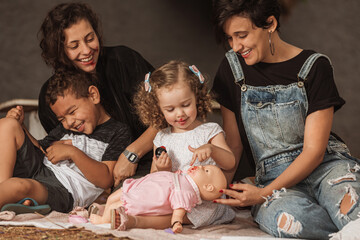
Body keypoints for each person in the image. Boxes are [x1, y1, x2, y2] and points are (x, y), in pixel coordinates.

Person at [211, 0, 360, 239]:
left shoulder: (314, 67)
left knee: (353, 211)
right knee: (293, 224)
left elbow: (314, 152)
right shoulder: (231, 68)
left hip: (326, 168)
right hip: (272, 178)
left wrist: (262, 194)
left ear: (270, 23)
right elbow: (234, 147)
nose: (236, 46)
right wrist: (214, 197)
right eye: (230, 38)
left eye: (241, 35)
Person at [38, 2, 155, 187]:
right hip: (92, 184)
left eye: (90, 38)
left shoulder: (124, 60)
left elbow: (166, 114)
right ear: (60, 52)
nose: (86, 50)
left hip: (153, 163)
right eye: (74, 45)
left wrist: (132, 153)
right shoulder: (50, 98)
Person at [0, 70, 131, 213]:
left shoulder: (118, 132)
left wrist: (72, 152)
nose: (69, 122)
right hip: (41, 167)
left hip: (64, 189)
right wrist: (21, 126)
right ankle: (5, 191)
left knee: (20, 187)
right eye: (61, 119)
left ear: (93, 95)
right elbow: (41, 148)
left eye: (72, 111)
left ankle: (12, 195)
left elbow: (106, 179)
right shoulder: (65, 129)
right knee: (8, 124)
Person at [132, 60, 236, 228]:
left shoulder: (210, 131)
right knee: (151, 200)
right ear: (158, 108)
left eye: (186, 105)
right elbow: (154, 177)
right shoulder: (162, 138)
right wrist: (163, 169)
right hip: (174, 197)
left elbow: (230, 162)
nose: (179, 114)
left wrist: (212, 149)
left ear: (197, 97)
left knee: (182, 213)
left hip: (203, 201)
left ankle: (137, 222)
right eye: (170, 109)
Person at [90, 165, 227, 233]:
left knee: (120, 203)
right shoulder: (186, 177)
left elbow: (179, 209)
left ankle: (103, 219)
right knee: (113, 196)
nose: (201, 166)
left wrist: (176, 223)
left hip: (145, 198)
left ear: (208, 187)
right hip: (142, 186)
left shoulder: (187, 193)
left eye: (206, 170)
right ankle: (105, 210)